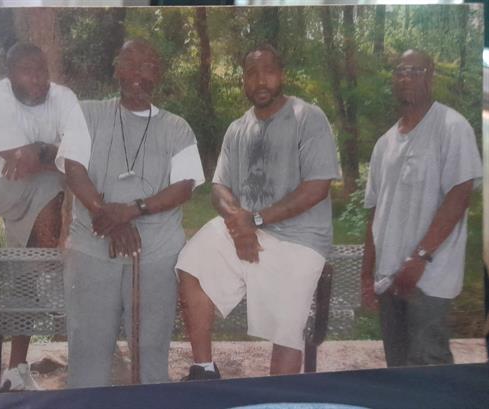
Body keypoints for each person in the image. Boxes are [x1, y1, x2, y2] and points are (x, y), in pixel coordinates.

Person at [176, 44, 340, 380]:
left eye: (269, 71)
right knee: (191, 262)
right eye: (251, 73)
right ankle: (204, 370)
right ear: (243, 80)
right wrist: (239, 222)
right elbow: (219, 188)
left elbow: (317, 187)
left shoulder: (307, 117)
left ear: (282, 75)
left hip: (301, 237)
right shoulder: (237, 128)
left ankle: (279, 398)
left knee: (287, 328)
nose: (261, 80)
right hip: (247, 229)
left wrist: (255, 220)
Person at [59, 38, 204, 387]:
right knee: (89, 350)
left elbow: (184, 186)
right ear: (116, 69)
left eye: (148, 66)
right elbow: (74, 170)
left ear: (159, 74)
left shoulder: (177, 127)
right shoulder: (87, 113)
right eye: (130, 63)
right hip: (93, 249)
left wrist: (132, 210)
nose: (138, 73)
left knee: (150, 352)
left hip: (155, 254)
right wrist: (106, 215)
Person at [0, 42, 91, 390]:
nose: (38, 79)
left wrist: (41, 151)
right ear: (9, 74)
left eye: (42, 70)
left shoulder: (63, 98)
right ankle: (50, 268)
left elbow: (81, 154)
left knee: (24, 264)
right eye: (27, 71)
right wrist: (53, 153)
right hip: (6, 188)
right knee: (56, 182)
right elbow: (22, 161)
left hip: (52, 192)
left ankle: (15, 370)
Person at [361, 49, 482, 367]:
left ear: (431, 76)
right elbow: (375, 212)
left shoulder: (451, 127)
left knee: (430, 366)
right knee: (397, 369)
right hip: (389, 278)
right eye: (400, 71)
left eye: (416, 71)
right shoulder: (384, 143)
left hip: (429, 277)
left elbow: (459, 196)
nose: (406, 77)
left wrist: (420, 258)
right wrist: (367, 276)